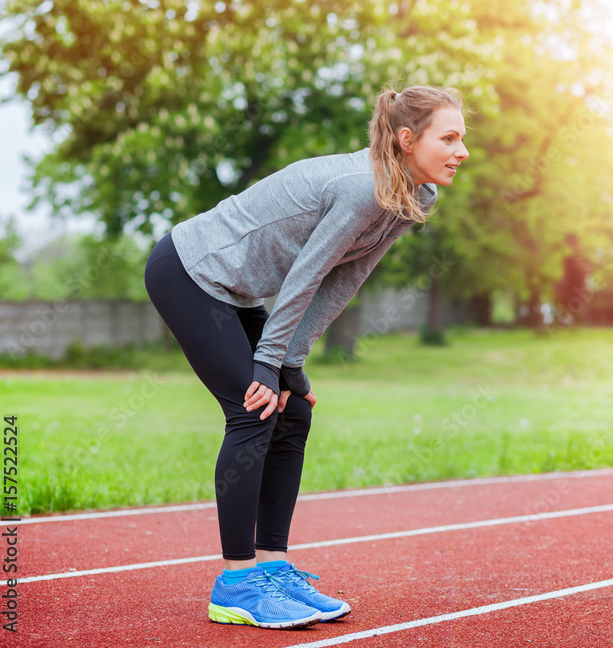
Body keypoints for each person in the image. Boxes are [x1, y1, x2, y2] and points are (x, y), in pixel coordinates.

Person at [143, 85, 469, 629]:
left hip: (236, 291)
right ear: (407, 139)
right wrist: (268, 366)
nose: (462, 151)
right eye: (450, 137)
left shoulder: (415, 196)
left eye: (463, 138)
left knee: (293, 409)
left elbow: (345, 278)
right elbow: (306, 275)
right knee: (254, 408)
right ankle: (237, 584)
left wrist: (289, 364)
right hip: (190, 272)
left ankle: (272, 567)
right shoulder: (363, 187)